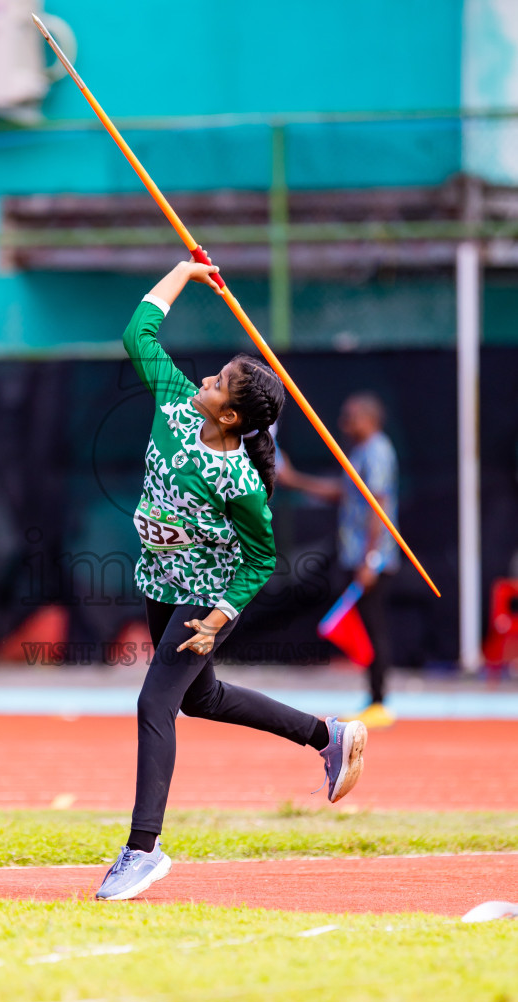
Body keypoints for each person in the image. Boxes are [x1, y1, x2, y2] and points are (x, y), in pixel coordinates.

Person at [95, 258, 368, 902]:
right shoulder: (175, 404)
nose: (206, 380)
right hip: (159, 580)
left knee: (154, 703)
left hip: (201, 596)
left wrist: (219, 617)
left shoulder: (242, 483)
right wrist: (184, 274)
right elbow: (140, 332)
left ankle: (143, 850)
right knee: (202, 700)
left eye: (218, 383)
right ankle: (328, 736)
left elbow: (259, 559)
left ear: (232, 419)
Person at [277, 393, 400, 729]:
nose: (344, 423)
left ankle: (380, 701)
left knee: (374, 628)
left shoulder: (377, 452)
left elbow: (379, 506)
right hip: (357, 556)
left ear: (369, 418)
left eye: (350, 416)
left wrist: (370, 559)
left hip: (372, 560)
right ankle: (374, 697)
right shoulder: (360, 453)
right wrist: (295, 479)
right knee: (364, 627)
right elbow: (341, 491)